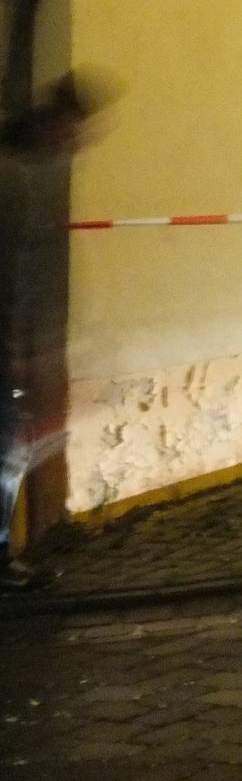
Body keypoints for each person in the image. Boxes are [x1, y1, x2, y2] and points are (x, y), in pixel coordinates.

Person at [3, 71, 114, 589]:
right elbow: (12, 277)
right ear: (56, 125)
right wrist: (20, 352)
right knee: (6, 455)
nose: (79, 141)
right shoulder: (15, 179)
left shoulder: (23, 168)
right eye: (76, 130)